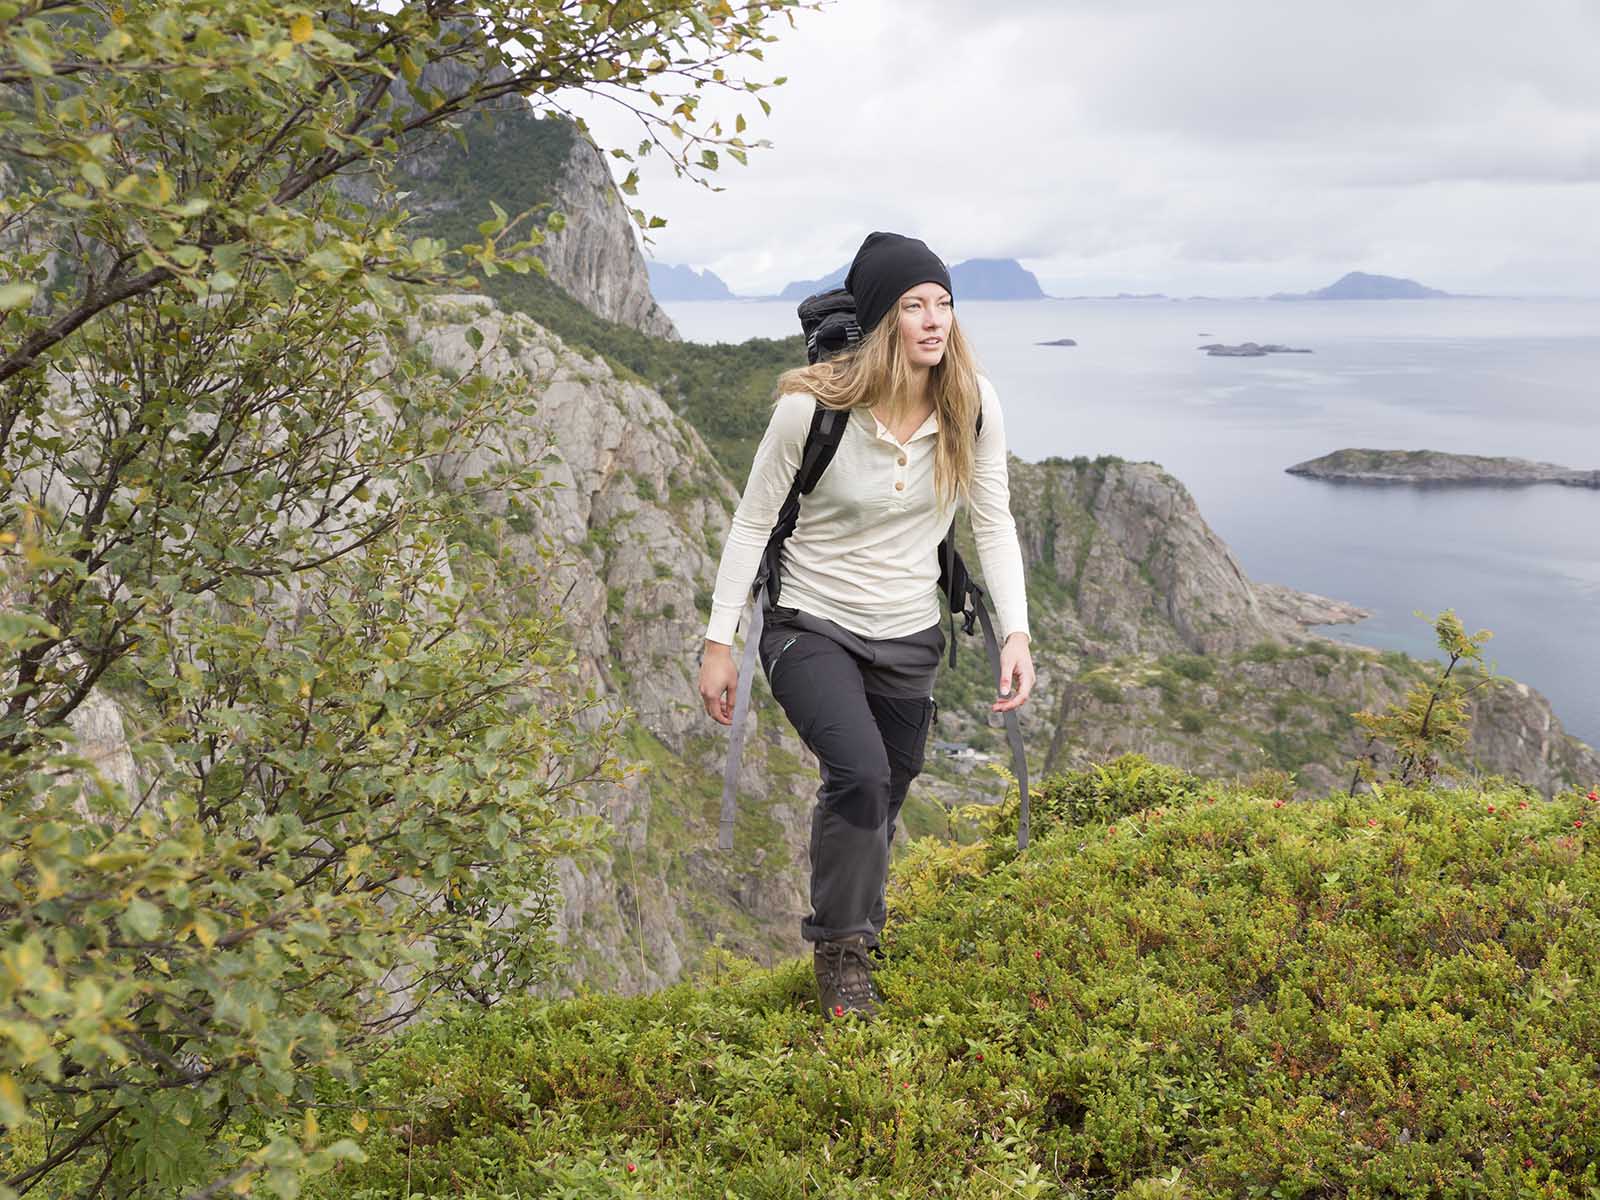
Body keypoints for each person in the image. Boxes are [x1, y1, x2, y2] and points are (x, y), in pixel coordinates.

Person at [697, 231, 1034, 1020]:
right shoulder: (809, 409)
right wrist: (719, 643)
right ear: (881, 318)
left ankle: (859, 924)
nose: (934, 320)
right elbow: (751, 525)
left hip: (911, 632)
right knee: (860, 775)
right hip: (808, 623)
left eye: (944, 303)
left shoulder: (973, 405)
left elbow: (994, 522)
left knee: (886, 793)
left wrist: (1015, 634)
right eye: (914, 305)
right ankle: (842, 953)